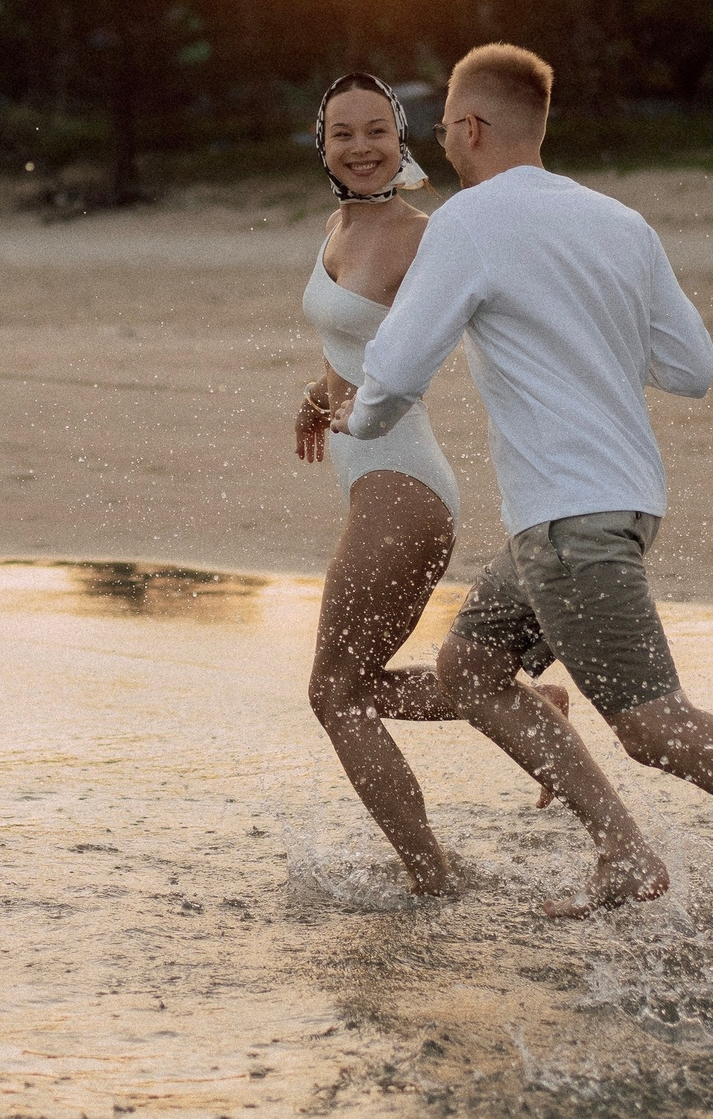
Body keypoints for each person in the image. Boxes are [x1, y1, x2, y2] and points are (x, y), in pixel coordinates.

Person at [330, 44, 713, 960]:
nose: (446, 137)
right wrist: (579, 326)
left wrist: (354, 412)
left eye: (447, 121)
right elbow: (692, 368)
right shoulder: (619, 222)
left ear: (470, 128)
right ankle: (620, 850)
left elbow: (400, 372)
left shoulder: (469, 223)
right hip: (607, 510)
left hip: (574, 523)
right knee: (469, 670)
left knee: (655, 726)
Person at [293, 73, 566, 896]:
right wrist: (320, 392)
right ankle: (531, 710)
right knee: (360, 685)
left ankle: (430, 877)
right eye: (344, 133)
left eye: (377, 130)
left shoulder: (426, 236)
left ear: (402, 135)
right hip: (373, 480)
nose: (362, 147)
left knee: (332, 695)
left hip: (404, 489)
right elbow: (361, 348)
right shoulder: (339, 225)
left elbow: (417, 360)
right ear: (323, 143)